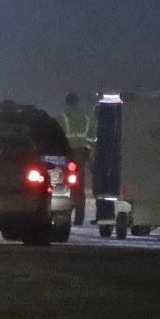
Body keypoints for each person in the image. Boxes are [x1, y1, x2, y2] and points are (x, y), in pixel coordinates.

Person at [60, 91, 95, 225]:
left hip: (67, 154)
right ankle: (79, 216)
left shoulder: (62, 117)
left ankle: (64, 213)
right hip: (82, 154)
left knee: (63, 184)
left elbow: (58, 136)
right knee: (79, 185)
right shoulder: (87, 118)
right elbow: (92, 137)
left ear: (67, 102)